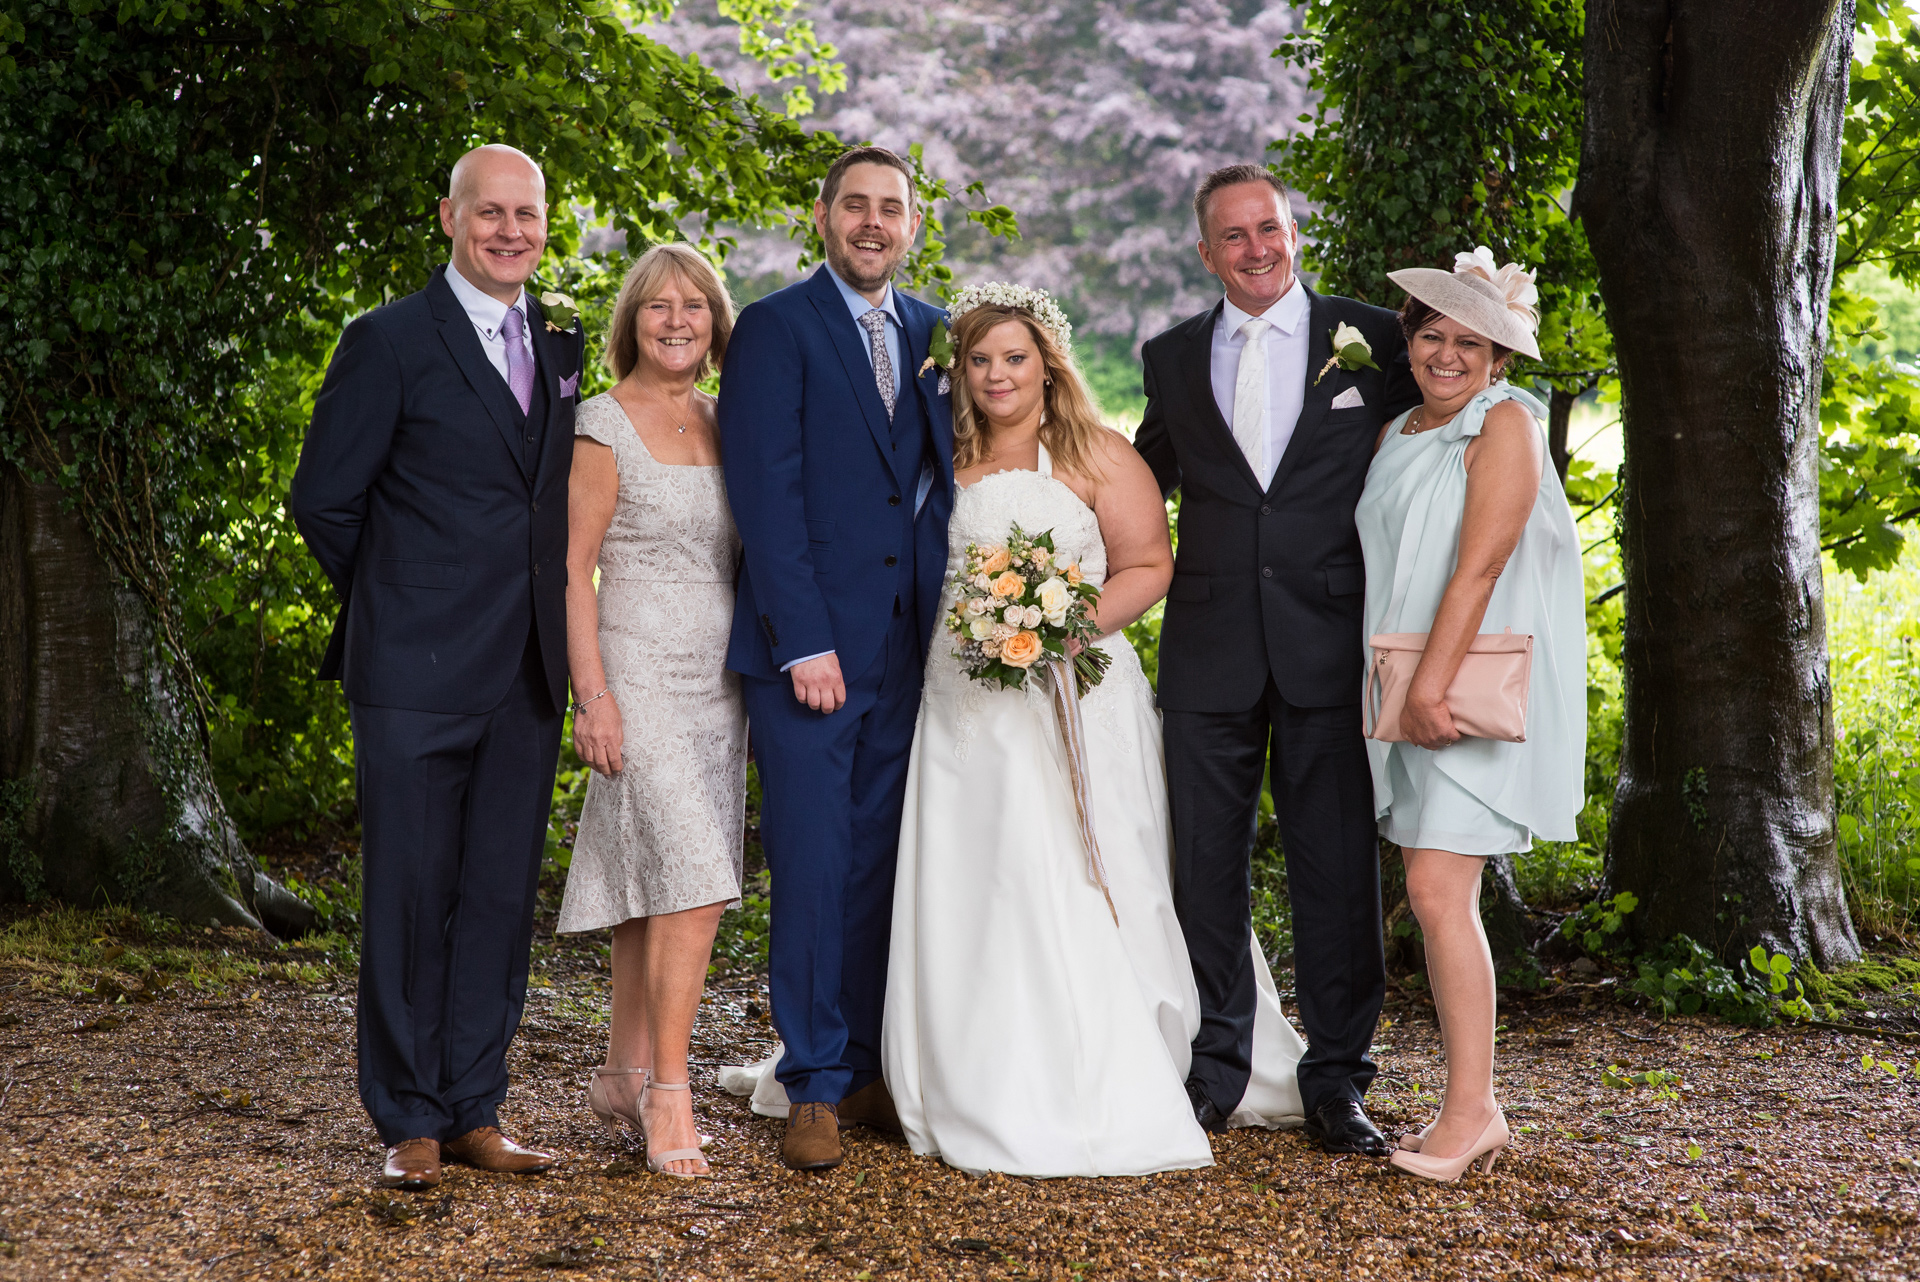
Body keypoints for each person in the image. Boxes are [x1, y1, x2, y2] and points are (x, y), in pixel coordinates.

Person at [879, 285, 1309, 1177]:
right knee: (977, 871)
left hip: (1078, 687)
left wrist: (1064, 629)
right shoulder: (936, 456)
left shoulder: (1098, 455)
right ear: (958, 371)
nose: (997, 375)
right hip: (963, 701)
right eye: (980, 360)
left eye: (1015, 358)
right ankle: (966, 1059)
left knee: (1098, 867)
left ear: (1047, 366)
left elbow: (1152, 563)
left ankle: (1132, 1052)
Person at [289, 145, 583, 1189]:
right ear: (450, 217)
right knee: (410, 894)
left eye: (528, 214)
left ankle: (474, 1106)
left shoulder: (559, 337)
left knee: (500, 895)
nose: (511, 231)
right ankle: (406, 1116)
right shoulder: (388, 340)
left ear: (546, 223)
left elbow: (540, 503)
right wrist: (404, 596)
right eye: (490, 213)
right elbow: (323, 499)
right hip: (412, 671)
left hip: (524, 672)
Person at [1133, 163, 1421, 1156]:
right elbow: (1136, 479)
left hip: (1329, 645)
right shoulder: (1170, 356)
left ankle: (1337, 1082)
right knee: (1202, 869)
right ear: (1206, 251)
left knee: (1337, 871)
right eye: (1235, 237)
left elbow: (1433, 437)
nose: (1259, 250)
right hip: (1209, 646)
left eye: (1271, 229)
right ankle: (1216, 1069)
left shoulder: (1373, 337)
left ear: (1292, 230)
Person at [716, 146, 954, 1171]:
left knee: (876, 866)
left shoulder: (936, 332)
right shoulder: (774, 329)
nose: (872, 223)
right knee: (812, 866)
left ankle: (862, 1069)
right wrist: (802, 638)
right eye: (854, 205)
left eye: (890, 209)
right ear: (821, 217)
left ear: (912, 225)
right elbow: (764, 498)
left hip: (912, 653)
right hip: (807, 656)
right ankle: (810, 1081)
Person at [1358, 249, 1585, 1180]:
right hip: (1407, 684)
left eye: (1471, 342)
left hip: (1458, 691)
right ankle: (1470, 1104)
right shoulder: (1397, 431)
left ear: (1500, 361)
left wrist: (1428, 690)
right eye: (1432, 335)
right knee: (1432, 892)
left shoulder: (1505, 425)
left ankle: (1473, 1111)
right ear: (1408, 343)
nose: (1447, 354)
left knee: (1438, 895)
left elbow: (1481, 566)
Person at [557, 244, 744, 1178]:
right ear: (632, 320)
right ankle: (672, 1091)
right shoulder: (601, 422)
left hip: (721, 685)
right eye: (660, 307)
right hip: (636, 670)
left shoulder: (725, 421)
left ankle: (623, 1072)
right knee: (696, 882)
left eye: (695, 308)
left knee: (655, 885)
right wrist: (592, 697)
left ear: (716, 324)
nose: (677, 321)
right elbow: (572, 571)